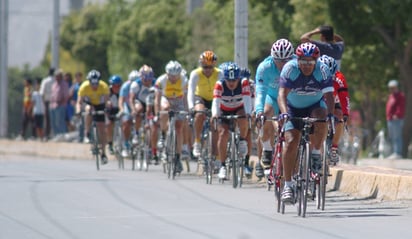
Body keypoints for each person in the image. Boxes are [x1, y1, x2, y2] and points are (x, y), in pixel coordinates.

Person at [277, 42, 334, 203]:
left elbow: (329, 96)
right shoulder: (290, 68)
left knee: (322, 116)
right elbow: (281, 94)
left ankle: (316, 152)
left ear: (316, 61)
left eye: (310, 62)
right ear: (298, 60)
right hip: (292, 108)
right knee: (291, 141)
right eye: (303, 61)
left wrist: (330, 114)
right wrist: (284, 113)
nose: (307, 65)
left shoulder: (322, 70)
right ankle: (288, 185)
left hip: (315, 106)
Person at [254, 38, 295, 178]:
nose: (283, 64)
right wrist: (259, 111)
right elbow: (260, 92)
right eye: (279, 61)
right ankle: (267, 149)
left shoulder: (297, 64)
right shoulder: (264, 67)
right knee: (265, 113)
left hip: (290, 98)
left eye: (286, 61)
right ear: (273, 57)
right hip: (271, 97)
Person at [211, 62, 252, 180]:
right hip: (224, 109)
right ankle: (223, 166)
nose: (232, 83)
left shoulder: (244, 82)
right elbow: (216, 101)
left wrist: (248, 112)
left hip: (238, 108)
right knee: (223, 134)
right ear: (225, 79)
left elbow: (247, 99)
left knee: (244, 116)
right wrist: (215, 114)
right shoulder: (219, 84)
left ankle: (243, 140)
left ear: (238, 78)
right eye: (229, 80)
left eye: (234, 80)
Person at [154, 60, 188, 173]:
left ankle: (178, 157)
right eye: (171, 76)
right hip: (166, 99)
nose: (173, 78)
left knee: (179, 128)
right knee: (165, 108)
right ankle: (163, 134)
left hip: (178, 101)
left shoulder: (184, 80)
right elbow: (157, 99)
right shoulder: (161, 80)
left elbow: (185, 98)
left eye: (176, 76)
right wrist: (157, 113)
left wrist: (187, 112)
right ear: (167, 73)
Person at [187, 50, 222, 160]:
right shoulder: (195, 74)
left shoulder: (220, 74)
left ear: (214, 66)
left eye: (210, 67)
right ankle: (197, 141)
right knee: (199, 114)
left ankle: (215, 155)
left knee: (215, 124)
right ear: (201, 65)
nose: (207, 70)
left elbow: (223, 92)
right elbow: (190, 92)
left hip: (215, 99)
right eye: (205, 67)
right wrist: (191, 107)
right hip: (200, 98)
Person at [318, 55, 350, 164]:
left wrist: (346, 114)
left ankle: (334, 149)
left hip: (334, 101)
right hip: (319, 101)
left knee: (340, 116)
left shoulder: (339, 78)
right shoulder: (314, 75)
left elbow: (344, 97)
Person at [76, 69, 110, 164]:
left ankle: (103, 153)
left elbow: (107, 101)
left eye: (96, 84)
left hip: (100, 104)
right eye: (92, 84)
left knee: (102, 130)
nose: (94, 86)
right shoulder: (84, 87)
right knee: (88, 110)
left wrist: (107, 108)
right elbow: (79, 102)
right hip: (89, 104)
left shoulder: (104, 86)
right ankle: (87, 133)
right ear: (89, 82)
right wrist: (78, 110)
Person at [129, 65, 158, 162]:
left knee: (153, 126)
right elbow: (131, 99)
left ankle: (153, 150)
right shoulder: (136, 84)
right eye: (145, 80)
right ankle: (136, 134)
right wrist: (133, 109)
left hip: (151, 103)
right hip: (140, 102)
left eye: (149, 80)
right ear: (141, 77)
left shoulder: (155, 83)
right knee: (139, 110)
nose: (148, 82)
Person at [118, 70, 139, 157]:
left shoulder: (140, 85)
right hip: (127, 106)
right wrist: (122, 109)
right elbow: (121, 100)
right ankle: (126, 144)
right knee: (126, 122)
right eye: (131, 81)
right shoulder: (125, 86)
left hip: (137, 105)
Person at [386, 79, 405, 159]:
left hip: (396, 119)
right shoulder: (391, 96)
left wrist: (397, 115)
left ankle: (398, 153)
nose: (391, 89)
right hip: (390, 119)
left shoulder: (400, 95)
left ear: (396, 87)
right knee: (392, 136)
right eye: (390, 88)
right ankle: (393, 152)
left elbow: (401, 107)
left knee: (397, 136)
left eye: (393, 87)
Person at [49, 69, 69, 136]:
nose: (56, 77)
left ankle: (62, 135)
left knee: (60, 122)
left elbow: (66, 96)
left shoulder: (64, 84)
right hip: (52, 105)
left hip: (60, 106)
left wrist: (60, 102)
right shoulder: (54, 84)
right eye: (55, 76)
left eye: (57, 76)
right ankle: (56, 135)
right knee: (53, 122)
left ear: (60, 76)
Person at [106, 75, 122, 155]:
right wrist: (107, 103)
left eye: (119, 86)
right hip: (110, 110)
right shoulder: (107, 91)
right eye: (115, 86)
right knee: (109, 124)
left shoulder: (122, 91)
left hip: (120, 109)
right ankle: (110, 144)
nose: (117, 87)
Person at [40, 67, 55, 139]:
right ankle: (53, 134)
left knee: (47, 119)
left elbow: (42, 93)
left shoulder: (45, 81)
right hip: (55, 101)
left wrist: (43, 102)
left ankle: (46, 135)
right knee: (54, 119)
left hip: (47, 101)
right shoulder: (56, 80)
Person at [70, 72, 84, 142]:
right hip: (76, 105)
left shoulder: (83, 85)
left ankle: (83, 136)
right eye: (76, 77)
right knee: (78, 122)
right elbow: (70, 94)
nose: (77, 78)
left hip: (83, 104)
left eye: (79, 77)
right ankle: (79, 136)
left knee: (83, 121)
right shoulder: (75, 86)